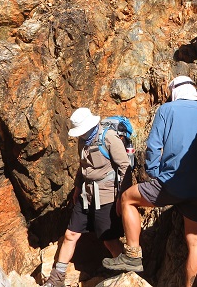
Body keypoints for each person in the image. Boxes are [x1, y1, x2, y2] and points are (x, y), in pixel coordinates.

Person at [102, 76, 197, 287]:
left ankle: (133, 254)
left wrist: (154, 172)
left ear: (175, 92)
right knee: (195, 241)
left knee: (127, 198)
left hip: (171, 183)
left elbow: (154, 146)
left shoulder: (167, 110)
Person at [42, 107, 131, 287]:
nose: (80, 135)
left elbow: (125, 167)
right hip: (85, 194)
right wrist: (76, 187)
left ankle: (127, 275)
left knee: (109, 239)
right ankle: (57, 278)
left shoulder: (109, 138)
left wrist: (123, 197)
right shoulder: (83, 140)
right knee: (70, 234)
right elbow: (83, 167)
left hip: (106, 196)